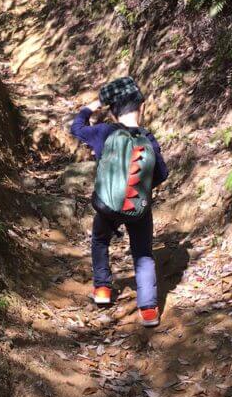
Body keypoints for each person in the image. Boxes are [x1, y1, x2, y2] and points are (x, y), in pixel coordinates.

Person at [70, 77, 168, 327]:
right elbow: (162, 174)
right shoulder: (148, 138)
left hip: (107, 206)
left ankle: (102, 289)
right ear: (141, 107)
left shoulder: (104, 132)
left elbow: (76, 128)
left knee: (100, 240)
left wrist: (91, 107)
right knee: (143, 254)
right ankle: (148, 310)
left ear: (112, 111)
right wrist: (140, 187)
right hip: (138, 208)